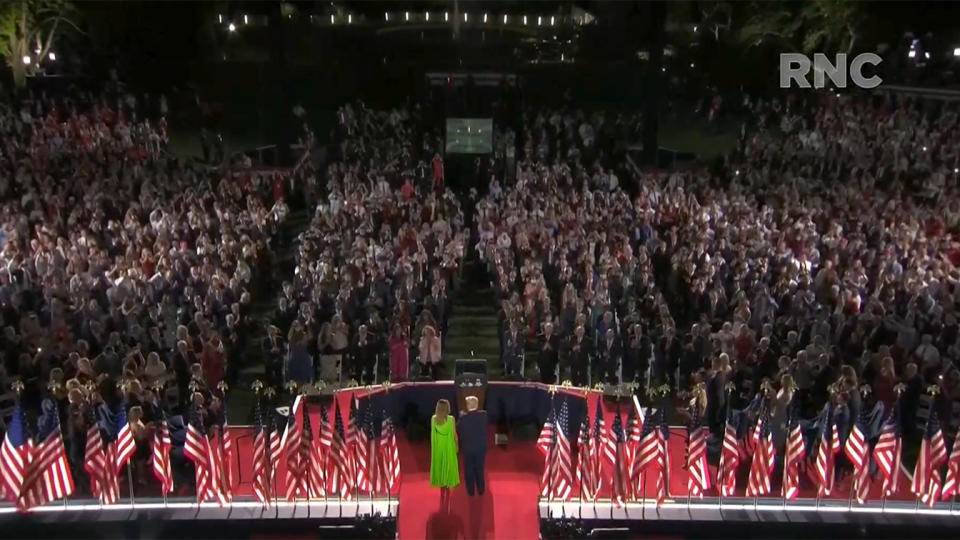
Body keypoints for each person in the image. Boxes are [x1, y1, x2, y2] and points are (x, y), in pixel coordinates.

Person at [430, 399, 460, 507]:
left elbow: (432, 435)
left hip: (438, 447)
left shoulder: (433, 419)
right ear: (447, 408)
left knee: (441, 464)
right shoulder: (451, 419)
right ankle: (447, 486)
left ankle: (442, 487)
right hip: (448, 446)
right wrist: (457, 445)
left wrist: (434, 450)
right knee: (447, 464)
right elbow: (454, 435)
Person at [458, 396, 488, 496]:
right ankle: (481, 489)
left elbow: (459, 431)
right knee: (480, 468)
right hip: (480, 447)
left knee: (469, 469)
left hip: (468, 448)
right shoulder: (484, 415)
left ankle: (470, 491)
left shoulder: (463, 418)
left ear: (467, 405)